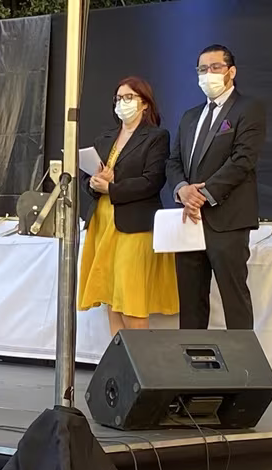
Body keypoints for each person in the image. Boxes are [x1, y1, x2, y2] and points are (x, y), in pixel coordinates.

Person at [166, 44, 266, 330]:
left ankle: (241, 359)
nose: (207, 74)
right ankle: (193, 356)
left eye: (215, 67)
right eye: (202, 69)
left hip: (228, 220)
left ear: (231, 72)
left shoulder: (249, 109)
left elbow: (242, 160)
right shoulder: (190, 116)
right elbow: (174, 161)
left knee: (234, 300)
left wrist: (203, 194)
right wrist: (182, 189)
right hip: (190, 221)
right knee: (191, 303)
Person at [78, 76, 179, 336]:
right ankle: (120, 356)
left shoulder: (156, 137)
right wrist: (95, 184)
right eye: (118, 98)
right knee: (111, 296)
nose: (122, 103)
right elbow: (86, 179)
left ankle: (140, 359)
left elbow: (152, 181)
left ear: (145, 103)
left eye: (129, 97)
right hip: (103, 220)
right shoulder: (105, 138)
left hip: (134, 225)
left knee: (131, 300)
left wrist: (112, 187)